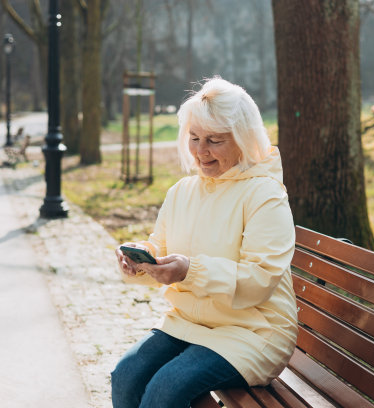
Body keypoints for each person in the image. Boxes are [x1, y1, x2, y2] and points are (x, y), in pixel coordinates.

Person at [111, 77, 298, 408]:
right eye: (194, 138)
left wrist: (189, 272)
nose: (200, 151)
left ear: (244, 139)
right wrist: (141, 262)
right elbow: (160, 248)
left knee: (164, 391)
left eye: (214, 140)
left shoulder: (265, 195)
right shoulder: (182, 191)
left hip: (253, 332)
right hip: (190, 322)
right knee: (125, 376)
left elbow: (260, 280)